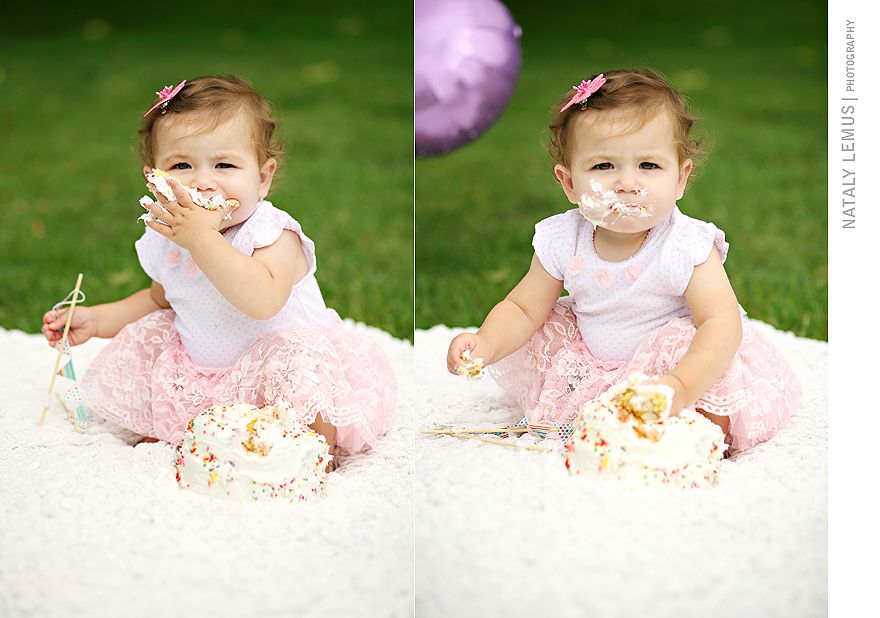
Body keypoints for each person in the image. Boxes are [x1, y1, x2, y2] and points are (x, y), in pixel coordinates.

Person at [446, 69, 800, 454]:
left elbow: (721, 322)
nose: (627, 183)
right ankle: (594, 415)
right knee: (546, 326)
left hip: (673, 368)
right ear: (569, 183)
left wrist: (682, 385)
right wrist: (485, 342)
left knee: (704, 354)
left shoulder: (683, 244)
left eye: (648, 166)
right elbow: (523, 308)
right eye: (604, 166)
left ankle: (691, 431)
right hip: (592, 360)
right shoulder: (564, 237)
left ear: (680, 179)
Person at [42, 75, 397, 458]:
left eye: (224, 164)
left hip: (273, 375)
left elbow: (262, 302)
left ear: (262, 178)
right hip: (210, 376)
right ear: (153, 179)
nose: (203, 182)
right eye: (181, 165)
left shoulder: (270, 233)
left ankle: (311, 449)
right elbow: (160, 300)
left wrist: (202, 239)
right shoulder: (169, 236)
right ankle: (183, 430)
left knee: (298, 364)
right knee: (158, 339)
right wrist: (96, 319)